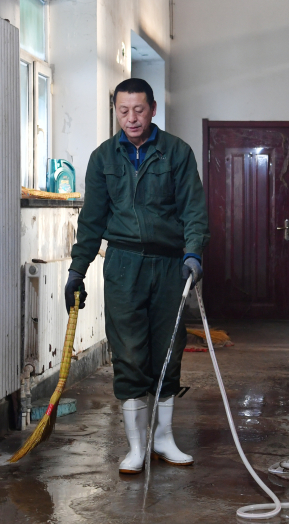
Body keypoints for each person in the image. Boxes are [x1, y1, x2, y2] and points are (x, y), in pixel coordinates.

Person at [64, 78, 209, 474]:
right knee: (128, 353)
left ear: (154, 109)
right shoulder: (103, 159)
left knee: (168, 351)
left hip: (169, 266)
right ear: (115, 110)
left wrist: (193, 254)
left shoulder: (177, 153)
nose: (131, 118)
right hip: (123, 266)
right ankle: (135, 447)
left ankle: (163, 439)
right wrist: (78, 270)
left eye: (139, 110)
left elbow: (194, 210)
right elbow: (91, 220)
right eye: (123, 110)